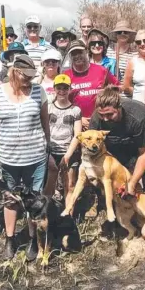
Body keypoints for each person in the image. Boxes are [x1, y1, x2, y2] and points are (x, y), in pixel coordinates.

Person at [0, 54, 50, 261]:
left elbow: (45, 123)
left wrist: (48, 149)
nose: (28, 79)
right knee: (9, 200)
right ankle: (10, 238)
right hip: (8, 158)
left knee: (35, 201)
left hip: (36, 156)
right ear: (14, 71)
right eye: (25, 75)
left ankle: (33, 239)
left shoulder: (39, 92)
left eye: (31, 76)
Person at [89, 85, 145, 195]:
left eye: (110, 114)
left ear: (119, 108)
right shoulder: (97, 118)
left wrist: (132, 182)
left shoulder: (138, 117)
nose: (105, 119)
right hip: (120, 146)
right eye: (102, 115)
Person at [63, 40, 119, 130]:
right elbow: (63, 102)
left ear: (86, 52)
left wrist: (107, 92)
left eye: (80, 52)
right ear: (70, 56)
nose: (77, 56)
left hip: (102, 121)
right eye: (74, 53)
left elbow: (117, 88)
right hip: (77, 124)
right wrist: (78, 118)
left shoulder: (101, 70)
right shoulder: (65, 76)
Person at [47, 74, 82, 206]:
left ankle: (69, 217)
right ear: (54, 88)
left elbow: (77, 134)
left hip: (69, 151)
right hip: (51, 152)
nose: (62, 91)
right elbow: (44, 130)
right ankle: (47, 216)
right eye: (59, 88)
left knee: (70, 185)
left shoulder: (75, 110)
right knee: (49, 186)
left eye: (65, 88)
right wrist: (48, 152)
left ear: (70, 89)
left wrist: (68, 155)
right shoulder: (48, 108)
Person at [122, 29, 145, 103]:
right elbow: (126, 86)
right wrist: (138, 94)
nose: (142, 44)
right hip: (139, 104)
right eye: (138, 42)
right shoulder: (133, 62)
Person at [106, 20, 137, 84]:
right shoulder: (108, 50)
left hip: (127, 91)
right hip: (110, 91)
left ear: (129, 34)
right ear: (116, 35)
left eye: (125, 32)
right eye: (119, 32)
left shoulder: (135, 53)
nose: (122, 34)